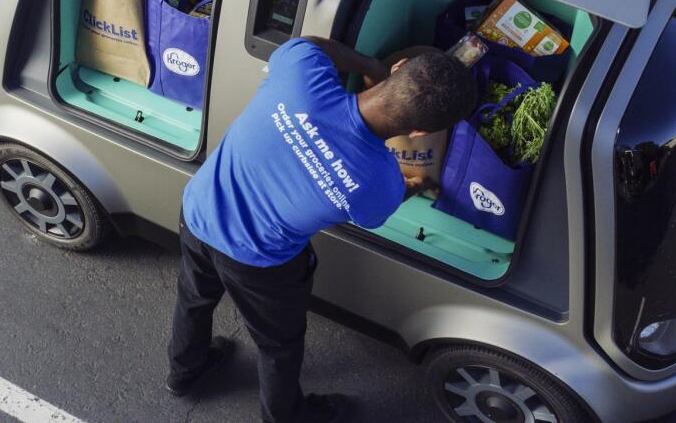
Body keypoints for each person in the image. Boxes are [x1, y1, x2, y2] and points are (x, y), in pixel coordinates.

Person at [166, 36, 477, 423]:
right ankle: (285, 417)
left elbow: (309, 44)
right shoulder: (381, 184)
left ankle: (184, 373)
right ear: (416, 133)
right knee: (279, 346)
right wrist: (413, 187)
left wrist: (369, 66)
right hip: (259, 262)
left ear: (397, 70)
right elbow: (374, 210)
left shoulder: (301, 74)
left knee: (194, 299)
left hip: (200, 209)